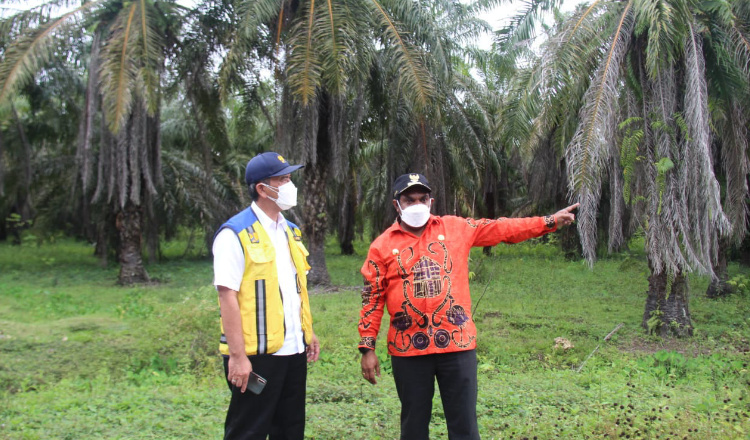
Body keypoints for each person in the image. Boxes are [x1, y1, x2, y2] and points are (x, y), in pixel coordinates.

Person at [358, 173, 578, 440]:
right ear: (397, 205)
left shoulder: (456, 228)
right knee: (413, 425)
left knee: (464, 425)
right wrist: (367, 347)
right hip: (408, 350)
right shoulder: (382, 246)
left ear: (431, 201)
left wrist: (549, 221)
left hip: (457, 346)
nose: (417, 204)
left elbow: (502, 228)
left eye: (422, 199)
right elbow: (372, 298)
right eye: (409, 199)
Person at [213, 151, 320, 440]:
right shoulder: (235, 234)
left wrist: (306, 332)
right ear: (262, 188)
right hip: (256, 355)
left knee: (290, 428)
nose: (290, 185)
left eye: (289, 178)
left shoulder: (291, 232)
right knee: (249, 429)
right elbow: (227, 298)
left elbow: (294, 289)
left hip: (293, 351)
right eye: (283, 179)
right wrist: (237, 357)